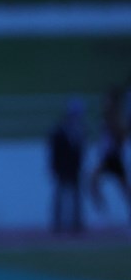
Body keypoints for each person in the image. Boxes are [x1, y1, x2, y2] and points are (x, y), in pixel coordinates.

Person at [89, 86, 131, 222]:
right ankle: (101, 205)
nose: (105, 104)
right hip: (106, 157)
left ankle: (103, 206)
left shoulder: (116, 118)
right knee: (93, 180)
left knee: (125, 189)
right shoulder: (106, 117)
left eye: (108, 101)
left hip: (114, 157)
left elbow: (122, 135)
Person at [48, 98, 86, 234]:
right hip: (62, 167)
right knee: (60, 195)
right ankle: (57, 224)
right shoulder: (59, 130)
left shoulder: (79, 131)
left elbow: (80, 151)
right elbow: (54, 150)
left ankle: (77, 223)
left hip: (74, 168)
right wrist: (53, 167)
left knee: (76, 196)